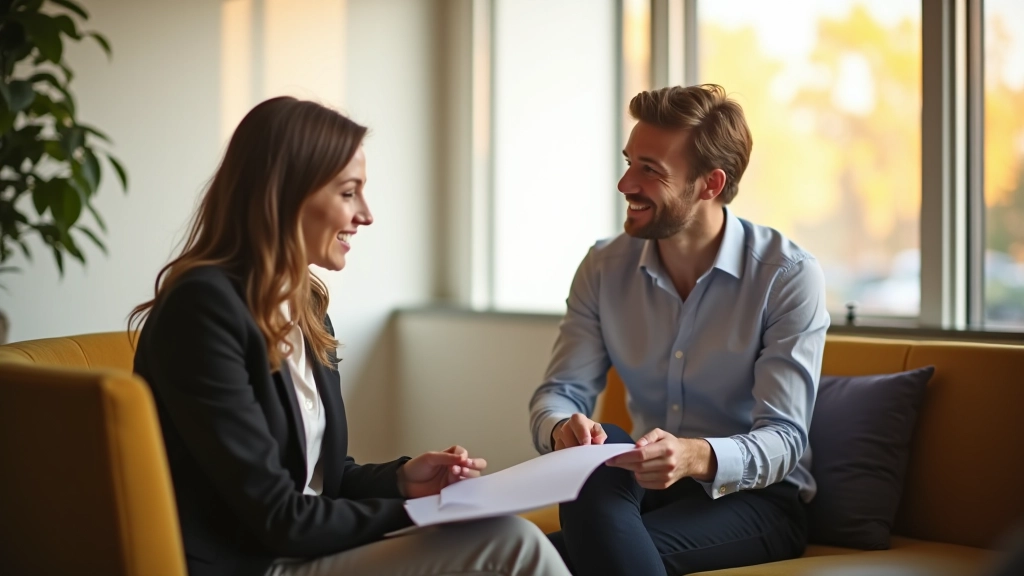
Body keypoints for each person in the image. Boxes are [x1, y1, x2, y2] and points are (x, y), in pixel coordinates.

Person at [131, 97, 569, 576]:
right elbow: (278, 516)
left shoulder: (307, 305)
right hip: (251, 563)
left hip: (302, 551)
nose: (366, 214)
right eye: (348, 193)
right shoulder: (202, 311)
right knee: (509, 544)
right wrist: (427, 512)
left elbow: (321, 481)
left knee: (508, 538)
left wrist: (404, 481)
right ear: (285, 195)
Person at [529, 84, 830, 576]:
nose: (625, 184)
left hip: (758, 499)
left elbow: (784, 438)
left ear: (709, 184)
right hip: (648, 490)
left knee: (541, 559)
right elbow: (559, 392)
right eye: (628, 162)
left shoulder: (786, 274)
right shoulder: (603, 267)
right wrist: (564, 427)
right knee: (602, 450)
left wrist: (696, 456)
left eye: (650, 170)